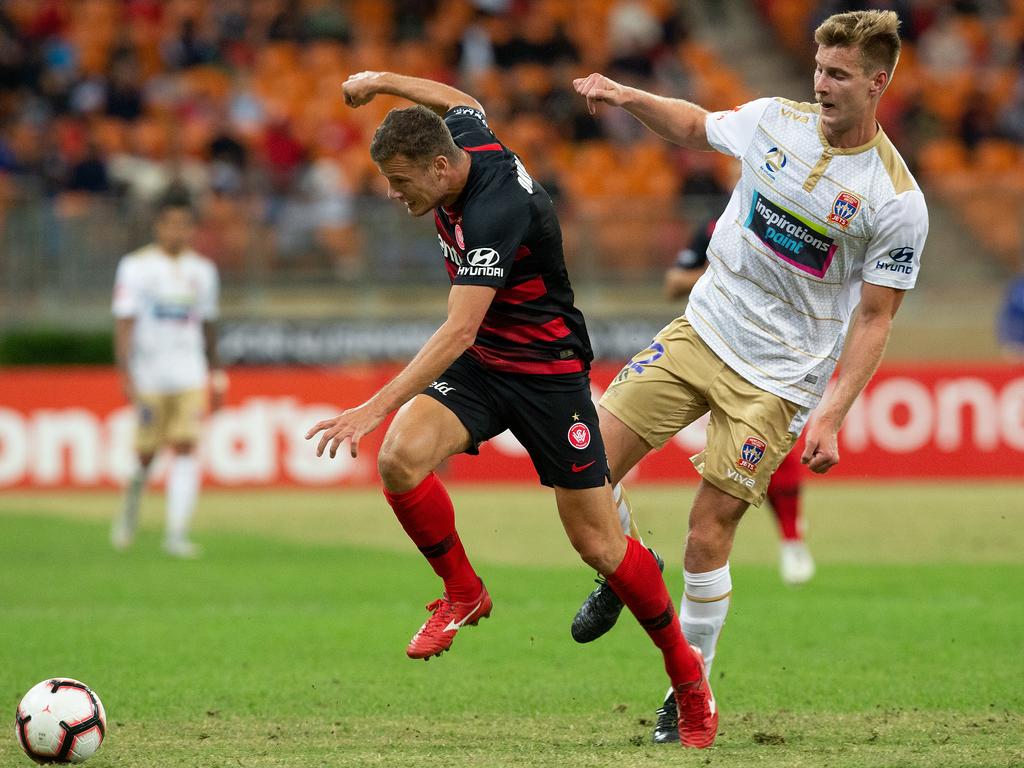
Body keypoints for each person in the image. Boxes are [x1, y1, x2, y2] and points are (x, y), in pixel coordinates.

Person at [305, 71, 717, 748]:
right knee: (402, 461)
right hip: (485, 365)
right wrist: (380, 82)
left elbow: (458, 329)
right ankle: (463, 592)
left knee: (598, 545)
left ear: (441, 168)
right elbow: (462, 102)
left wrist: (371, 406)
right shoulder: (462, 140)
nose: (392, 192)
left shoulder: (495, 208)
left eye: (401, 179)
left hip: (547, 375)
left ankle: (688, 676)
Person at [571, 9, 928, 743]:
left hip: (778, 380)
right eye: (819, 69)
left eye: (838, 75)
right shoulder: (773, 120)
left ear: (877, 82)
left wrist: (829, 414)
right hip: (701, 330)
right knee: (580, 471)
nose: (821, 85)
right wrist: (627, 96)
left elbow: (874, 318)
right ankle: (628, 566)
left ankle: (689, 687)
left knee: (709, 535)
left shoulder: (896, 201)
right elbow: (697, 124)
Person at [665, 216, 815, 587]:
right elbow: (673, 282)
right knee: (726, 458)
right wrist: (722, 272)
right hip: (713, 344)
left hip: (775, 357)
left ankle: (792, 539)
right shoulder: (716, 226)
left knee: (772, 451)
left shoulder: (792, 221)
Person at [110, 188, 226, 559]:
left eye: (184, 225)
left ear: (192, 229)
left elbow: (207, 326)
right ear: (158, 226)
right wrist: (125, 372)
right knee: (146, 455)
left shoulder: (203, 271)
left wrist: (216, 373)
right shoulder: (136, 266)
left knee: (187, 447)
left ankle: (177, 533)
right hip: (149, 374)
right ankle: (129, 512)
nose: (177, 231)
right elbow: (125, 323)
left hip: (189, 373)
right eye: (170, 224)